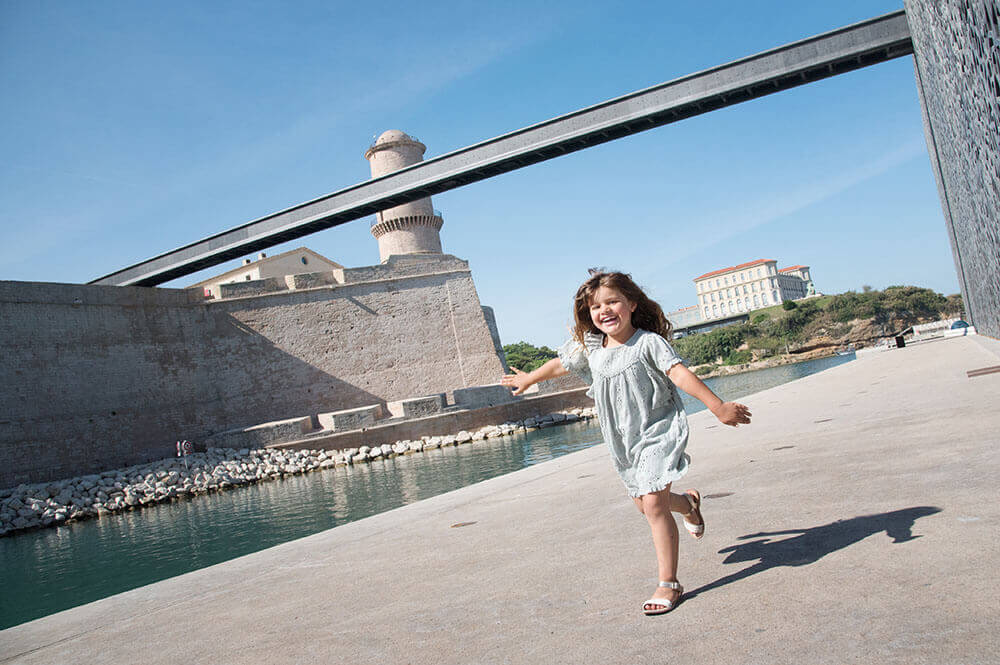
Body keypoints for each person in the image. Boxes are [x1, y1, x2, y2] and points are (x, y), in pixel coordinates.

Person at [501, 270, 751, 616]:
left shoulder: (648, 343)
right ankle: (689, 503)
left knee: (653, 506)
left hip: (657, 432)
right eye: (595, 307)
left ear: (632, 304)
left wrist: (718, 406)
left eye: (612, 301)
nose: (604, 310)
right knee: (647, 505)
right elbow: (561, 364)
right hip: (622, 441)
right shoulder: (593, 348)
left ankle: (669, 583)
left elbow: (679, 374)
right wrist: (530, 378)